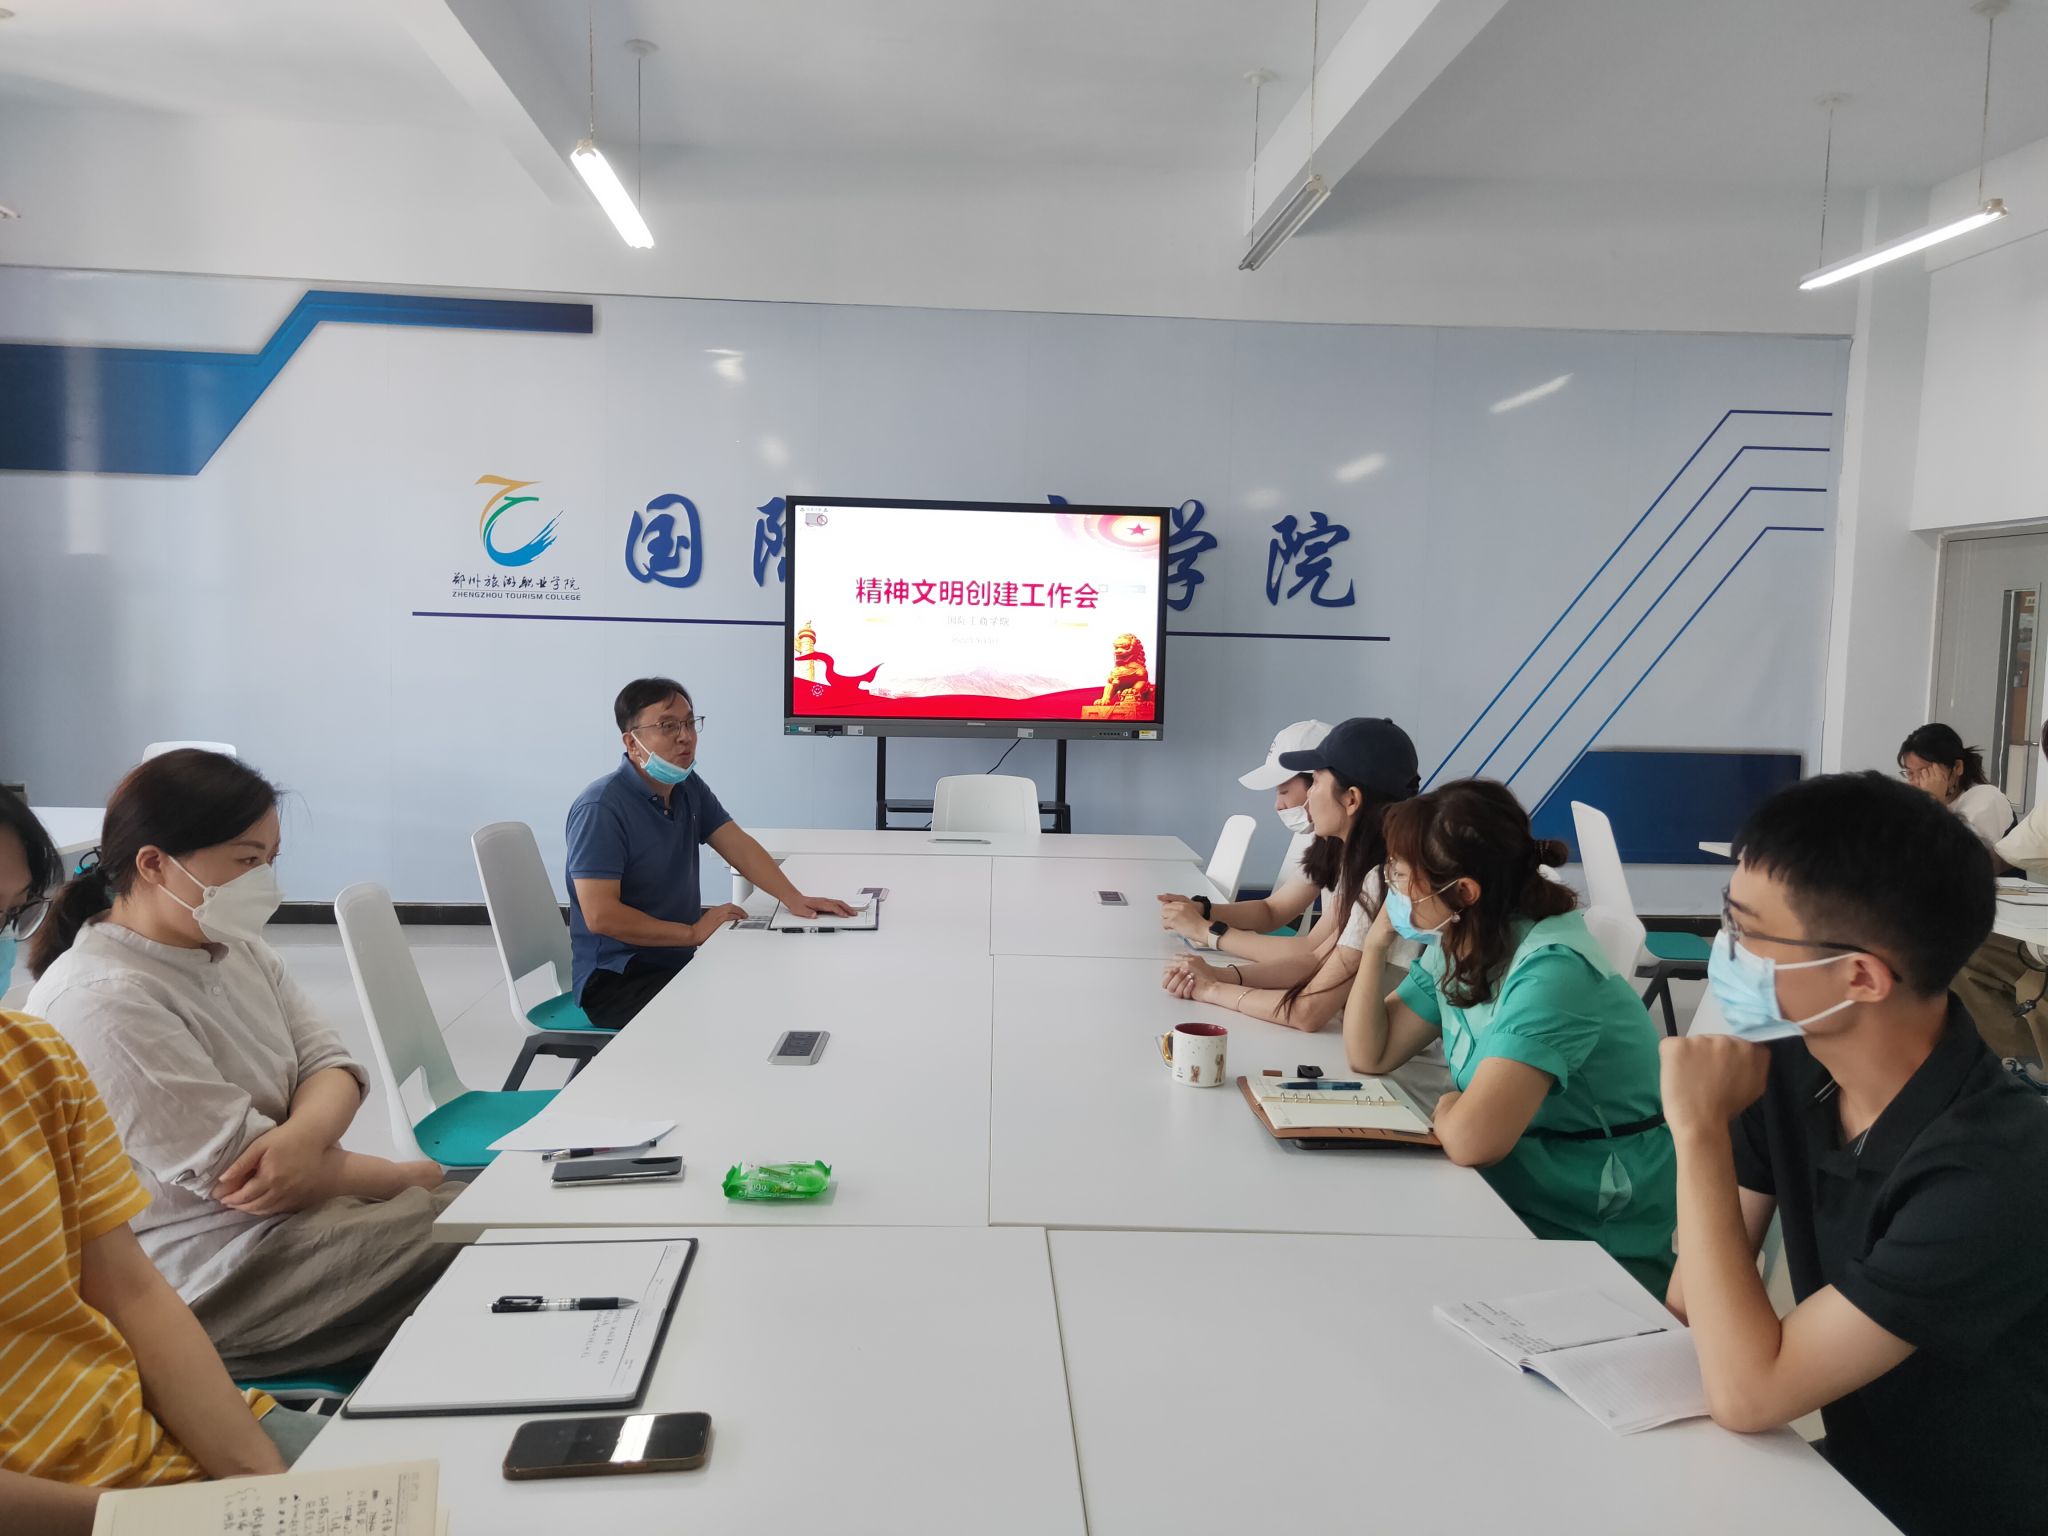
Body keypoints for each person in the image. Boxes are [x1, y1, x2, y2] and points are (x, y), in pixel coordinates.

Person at [1661, 772, 2048, 1536]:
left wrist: (1699, 1131)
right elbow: (1690, 1298)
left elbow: (1750, 1392)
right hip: (1846, 1482)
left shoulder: (1996, 1167)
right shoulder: (1787, 1067)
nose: (1726, 950)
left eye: (1747, 932)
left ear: (1861, 977)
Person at [25, 752, 462, 1379]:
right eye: (246, 860)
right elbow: (252, 1179)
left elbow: (331, 1067)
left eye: (270, 860)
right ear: (153, 864)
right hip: (218, 1273)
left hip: (306, 1218)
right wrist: (412, 1176)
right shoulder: (102, 999)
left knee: (503, 1226)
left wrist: (301, 1139)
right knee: (492, 1234)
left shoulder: (235, 948)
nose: (264, 881)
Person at [0, 790, 322, 1535]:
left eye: (5, 913)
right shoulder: (98, 998)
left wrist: (261, 1491)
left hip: (156, 1442)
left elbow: (133, 1293)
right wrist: (164, 1521)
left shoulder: (32, 1062)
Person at [1342, 778, 1677, 1291]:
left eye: (1402, 875)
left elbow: (1472, 1140)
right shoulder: (1467, 940)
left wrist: (1451, 1104)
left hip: (1585, 1228)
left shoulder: (1553, 970)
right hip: (1504, 1192)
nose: (1394, 888)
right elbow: (1371, 1052)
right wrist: (1375, 943)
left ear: (1464, 892)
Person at [568, 677, 856, 1029]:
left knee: (771, 980)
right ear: (631, 742)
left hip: (675, 960)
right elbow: (601, 915)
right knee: (738, 1012)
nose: (685, 736)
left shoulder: (686, 786)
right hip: (617, 979)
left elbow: (738, 845)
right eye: (668, 726)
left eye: (689, 723)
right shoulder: (601, 808)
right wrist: (692, 933)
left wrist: (794, 898)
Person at [1161, 717, 1419, 1032]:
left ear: (1351, 799)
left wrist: (1210, 985)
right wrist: (1219, 975)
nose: (1308, 800)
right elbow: (1317, 961)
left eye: (1317, 783)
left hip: (1386, 1049)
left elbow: (1307, 1011)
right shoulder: (1371, 864)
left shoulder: (1387, 879)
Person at [1156, 719, 1335, 963]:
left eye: (1283, 791)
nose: (1278, 805)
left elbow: (1312, 953)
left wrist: (1206, 932)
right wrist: (1202, 910)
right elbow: (1272, 911)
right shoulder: (1327, 844)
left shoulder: (1363, 860)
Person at [1953, 716, 2048, 1065]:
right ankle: (2021, 1066)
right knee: (1959, 951)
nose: (1915, 779)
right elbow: (1997, 858)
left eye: (1922, 770)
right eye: (1910, 773)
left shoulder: (1984, 799)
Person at [1897, 721, 2014, 846]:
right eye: (1910, 773)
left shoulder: (1985, 799)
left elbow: (1958, 854)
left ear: (1957, 767)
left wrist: (1934, 802)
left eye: (1926, 773)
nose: (1915, 782)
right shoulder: (1913, 806)